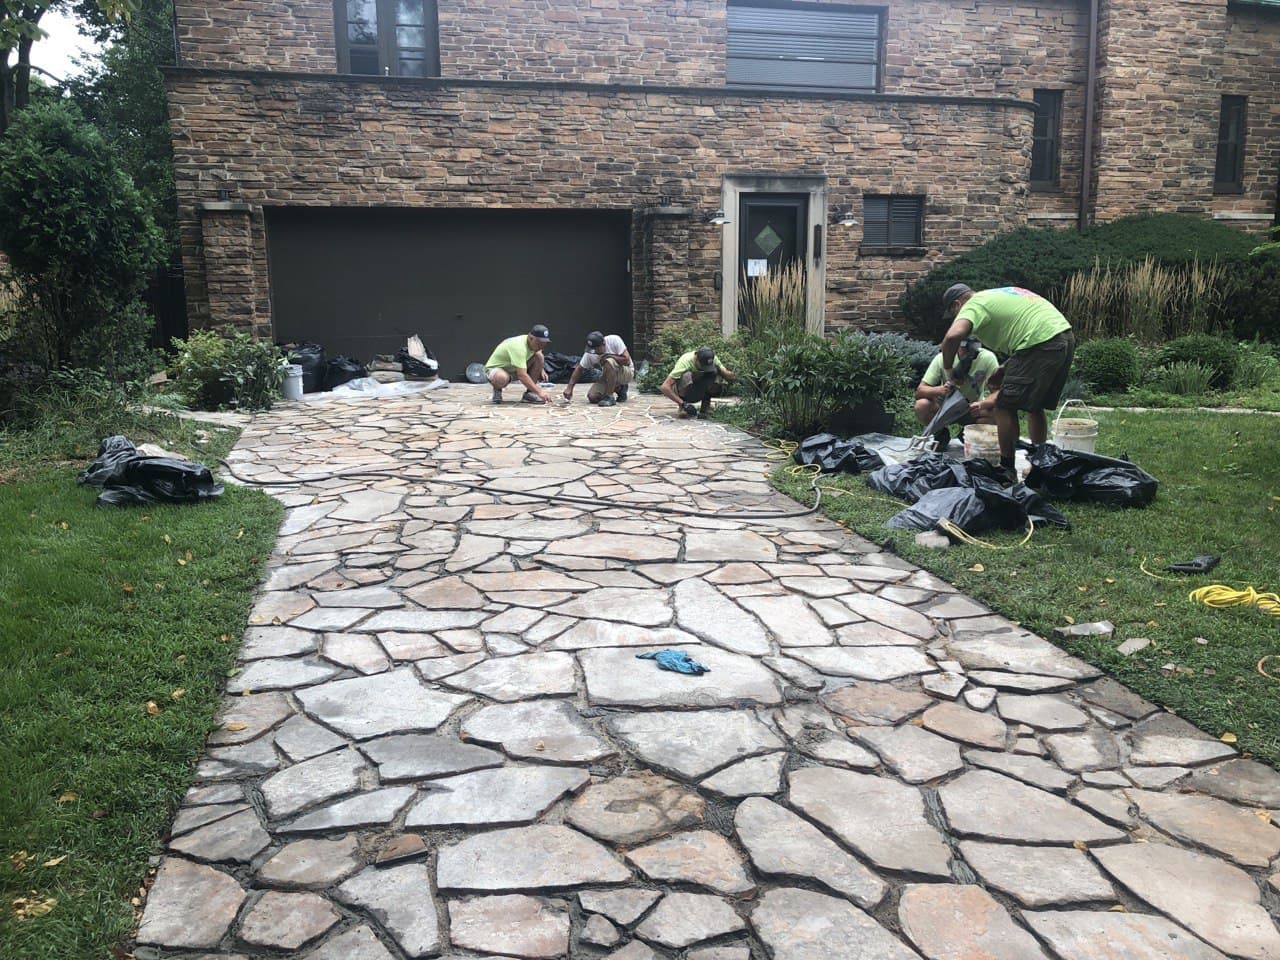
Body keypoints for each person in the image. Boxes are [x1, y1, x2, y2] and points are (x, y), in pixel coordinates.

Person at [939, 283, 1075, 481]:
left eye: (953, 314)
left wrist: (949, 371)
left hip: (1038, 343)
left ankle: (1007, 470)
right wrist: (1006, 367)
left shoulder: (973, 304)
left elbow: (952, 336)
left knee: (1003, 406)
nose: (955, 318)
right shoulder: (996, 295)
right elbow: (1028, 328)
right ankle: (1040, 466)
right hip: (1063, 336)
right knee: (1035, 406)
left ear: (956, 305)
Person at [914, 336, 1000, 449]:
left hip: (971, 408)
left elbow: (998, 392)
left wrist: (982, 404)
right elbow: (920, 391)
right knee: (922, 406)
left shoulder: (988, 358)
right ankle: (941, 434)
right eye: (964, 349)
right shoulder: (942, 358)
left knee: (998, 412)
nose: (968, 354)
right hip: (943, 408)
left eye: (973, 350)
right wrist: (941, 390)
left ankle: (967, 434)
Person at [660, 345, 735, 418]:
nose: (704, 368)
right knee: (686, 375)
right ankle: (683, 408)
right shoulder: (685, 361)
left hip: (700, 389)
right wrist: (683, 404)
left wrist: (723, 371)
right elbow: (664, 387)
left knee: (716, 374)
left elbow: (729, 376)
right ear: (696, 359)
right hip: (684, 391)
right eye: (703, 366)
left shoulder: (711, 359)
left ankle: (705, 407)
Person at [563, 331, 634, 407]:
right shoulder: (591, 352)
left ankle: (609, 397)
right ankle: (620, 388)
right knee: (593, 397)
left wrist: (609, 356)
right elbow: (579, 369)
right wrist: (569, 388)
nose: (594, 352)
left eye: (596, 349)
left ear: (603, 343)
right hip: (608, 375)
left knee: (608, 361)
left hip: (626, 372)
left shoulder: (614, 340)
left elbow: (627, 361)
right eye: (592, 349)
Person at [485, 324, 553, 404]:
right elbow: (522, 375)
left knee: (539, 356)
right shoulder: (519, 347)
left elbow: (538, 353)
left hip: (514, 369)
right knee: (501, 378)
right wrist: (540, 392)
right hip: (495, 370)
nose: (541, 346)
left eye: (544, 343)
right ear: (530, 338)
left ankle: (529, 394)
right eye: (539, 343)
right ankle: (497, 389)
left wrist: (541, 369)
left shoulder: (533, 344)